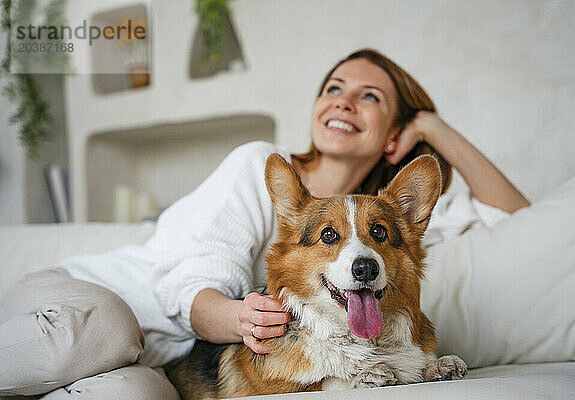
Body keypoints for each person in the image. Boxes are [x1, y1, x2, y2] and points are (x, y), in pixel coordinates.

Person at [0, 49, 529, 399]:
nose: (344, 99)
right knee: (106, 331)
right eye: (334, 87)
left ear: (395, 130)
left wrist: (433, 126)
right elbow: (189, 287)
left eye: (371, 96)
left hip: (161, 362)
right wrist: (243, 319)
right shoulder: (260, 166)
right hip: (87, 299)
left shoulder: (388, 223)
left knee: (134, 396)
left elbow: (515, 218)